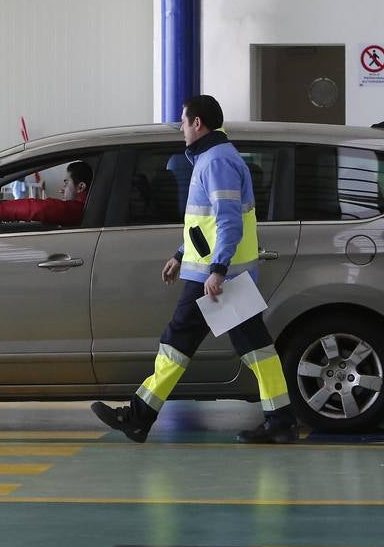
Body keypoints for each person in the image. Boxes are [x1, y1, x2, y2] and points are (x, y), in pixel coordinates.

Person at [90, 95, 300, 444]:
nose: (182, 129)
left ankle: (138, 416)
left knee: (177, 343)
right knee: (255, 348)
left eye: (184, 122)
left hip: (214, 277)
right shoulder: (212, 158)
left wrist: (218, 269)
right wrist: (179, 252)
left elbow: (228, 220)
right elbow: (204, 224)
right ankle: (281, 421)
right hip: (215, 274)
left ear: (198, 123)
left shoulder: (216, 162)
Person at [0, 160, 91, 228]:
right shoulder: (85, 207)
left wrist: (0, 211)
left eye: (66, 184)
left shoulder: (77, 209)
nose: (61, 190)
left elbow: (41, 208)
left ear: (80, 187)